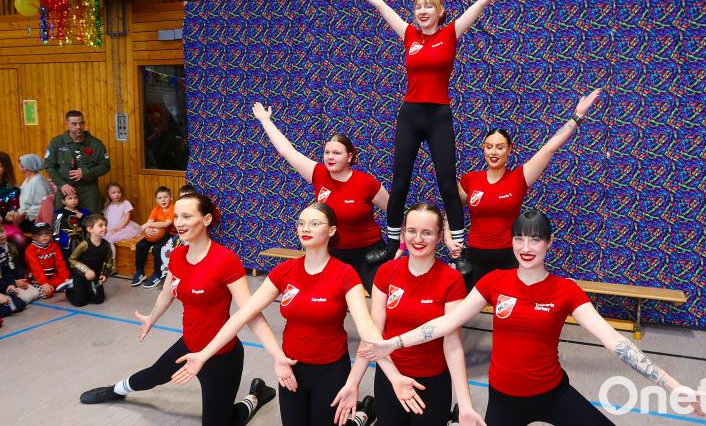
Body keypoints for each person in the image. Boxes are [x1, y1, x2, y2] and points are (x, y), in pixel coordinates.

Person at [360, 210, 706, 425]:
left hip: (552, 392)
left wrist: (672, 385)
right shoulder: (494, 282)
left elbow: (614, 341)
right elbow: (444, 324)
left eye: (535, 240)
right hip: (504, 400)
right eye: (520, 239)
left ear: (548, 244)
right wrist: (394, 342)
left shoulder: (566, 290)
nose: (526, 248)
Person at [170, 202, 426, 426]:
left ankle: (361, 415)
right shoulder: (284, 271)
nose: (305, 228)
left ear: (332, 231)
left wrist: (392, 375)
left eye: (315, 223)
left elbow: (367, 328)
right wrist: (206, 354)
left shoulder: (345, 274)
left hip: (330, 371)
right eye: (301, 223)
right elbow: (243, 314)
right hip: (290, 370)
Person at [347, 0, 509, 275]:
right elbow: (382, 6)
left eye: (428, 6)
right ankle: (392, 243)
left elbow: (483, 1)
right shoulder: (409, 34)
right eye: (418, 6)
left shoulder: (450, 34)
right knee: (400, 184)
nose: (422, 11)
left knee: (448, 185)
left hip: (438, 116)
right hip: (411, 114)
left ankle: (460, 252)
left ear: (440, 12)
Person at [79, 194, 276, 425]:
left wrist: (277, 355)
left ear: (206, 219)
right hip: (189, 345)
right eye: (176, 216)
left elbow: (249, 311)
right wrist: (152, 317)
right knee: (151, 376)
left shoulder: (225, 260)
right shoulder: (178, 255)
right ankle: (115, 389)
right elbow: (167, 292)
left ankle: (256, 394)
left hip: (221, 356)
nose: (178, 223)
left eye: (186, 216)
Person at [333, 203, 483, 426]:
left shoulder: (451, 281)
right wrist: (353, 382)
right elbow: (373, 334)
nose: (418, 239)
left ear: (440, 236)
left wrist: (466, 404)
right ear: (403, 233)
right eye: (411, 231)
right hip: (390, 376)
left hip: (432, 382)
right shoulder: (386, 272)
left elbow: (452, 343)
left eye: (427, 233)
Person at [456, 89, 601, 290]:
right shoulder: (470, 180)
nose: (493, 152)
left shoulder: (518, 177)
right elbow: (451, 208)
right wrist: (449, 237)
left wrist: (577, 117)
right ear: (483, 149)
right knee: (466, 312)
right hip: (475, 257)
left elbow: (549, 148)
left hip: (509, 256)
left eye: (499, 147)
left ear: (509, 149)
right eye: (489, 147)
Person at [253, 103, 390, 291]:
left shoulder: (367, 183)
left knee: (382, 301)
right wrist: (265, 120)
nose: (330, 157)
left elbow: (395, 212)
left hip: (369, 254)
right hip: (332, 252)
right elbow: (287, 151)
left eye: (336, 153)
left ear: (349, 157)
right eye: (327, 152)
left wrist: (398, 245)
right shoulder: (318, 173)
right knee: (326, 299)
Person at [44, 110, 111, 214]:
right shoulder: (57, 142)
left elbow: (106, 165)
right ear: (67, 125)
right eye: (74, 124)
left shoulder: (96, 144)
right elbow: (49, 165)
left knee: (92, 222)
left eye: (81, 123)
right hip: (66, 189)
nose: (78, 126)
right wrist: (62, 184)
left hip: (88, 190)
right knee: (64, 223)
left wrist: (86, 172)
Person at [59, 214, 115, 306]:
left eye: (105, 225)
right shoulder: (84, 244)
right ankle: (70, 288)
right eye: (101, 225)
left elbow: (109, 261)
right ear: (90, 229)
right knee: (80, 302)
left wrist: (105, 274)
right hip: (80, 275)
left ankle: (86, 289)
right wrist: (86, 271)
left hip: (95, 276)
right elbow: (72, 259)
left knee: (98, 300)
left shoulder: (107, 245)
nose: (104, 228)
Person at [151, 183, 198, 289]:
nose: (186, 201)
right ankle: (166, 274)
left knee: (183, 251)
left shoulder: (197, 210)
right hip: (180, 235)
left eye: (189, 197)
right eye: (183, 198)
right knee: (165, 249)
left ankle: (185, 277)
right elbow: (177, 225)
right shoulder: (178, 209)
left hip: (193, 236)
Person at [132, 186, 175, 288]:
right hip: (156, 233)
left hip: (170, 234)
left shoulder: (174, 208)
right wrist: (147, 229)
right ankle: (140, 272)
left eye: (165, 197)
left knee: (158, 248)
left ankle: (157, 274)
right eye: (160, 198)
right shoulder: (156, 209)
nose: (163, 200)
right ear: (156, 200)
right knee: (140, 245)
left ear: (171, 198)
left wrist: (146, 226)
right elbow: (150, 222)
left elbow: (166, 224)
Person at [6, 154, 51, 233]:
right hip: (26, 219)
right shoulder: (27, 180)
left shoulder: (38, 181)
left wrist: (25, 214)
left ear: (25, 167)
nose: (18, 166)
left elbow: (43, 204)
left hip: (35, 222)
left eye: (20, 164)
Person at [24, 222, 70, 300]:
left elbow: (60, 263)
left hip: (52, 276)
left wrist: (65, 278)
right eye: (40, 234)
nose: (44, 236)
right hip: (37, 278)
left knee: (69, 285)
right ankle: (34, 287)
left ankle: (54, 286)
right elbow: (36, 269)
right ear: (34, 237)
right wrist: (44, 283)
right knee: (47, 293)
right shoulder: (31, 249)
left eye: (47, 233)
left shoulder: (54, 245)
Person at [0, 226, 39, 304]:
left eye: (1, 232)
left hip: (14, 281)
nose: (1, 235)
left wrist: (21, 280)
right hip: (5, 284)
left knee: (36, 293)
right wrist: (14, 283)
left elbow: (18, 266)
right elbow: (4, 274)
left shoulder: (12, 247)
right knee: (25, 298)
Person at [54, 191, 91, 259]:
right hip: (65, 239)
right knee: (66, 257)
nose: (73, 200)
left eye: (75, 198)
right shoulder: (60, 213)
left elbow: (87, 222)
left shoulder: (82, 211)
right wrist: (56, 240)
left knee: (79, 256)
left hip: (79, 239)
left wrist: (83, 215)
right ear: (63, 201)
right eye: (70, 198)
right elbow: (56, 227)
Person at [0, 151, 24, 247]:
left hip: (5, 226)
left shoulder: (13, 189)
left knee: (19, 240)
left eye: (0, 166)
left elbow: (13, 208)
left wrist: (10, 215)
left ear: (6, 168)